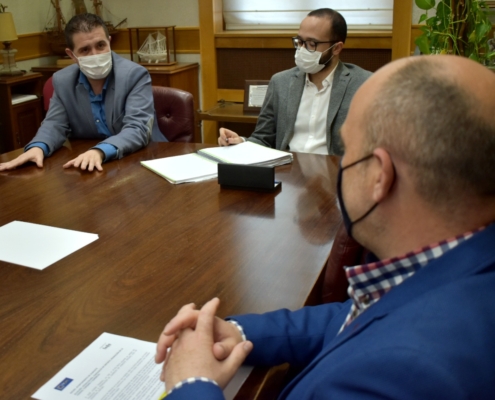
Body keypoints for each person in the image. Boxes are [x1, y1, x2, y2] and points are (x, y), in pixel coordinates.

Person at [155, 55, 495, 399]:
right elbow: (358, 315)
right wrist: (239, 331)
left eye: (346, 150)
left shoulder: (402, 373)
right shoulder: (463, 264)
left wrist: (190, 384)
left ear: (380, 176)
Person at [0, 13, 163, 173]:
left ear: (109, 42)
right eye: (85, 50)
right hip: (90, 167)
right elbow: (54, 124)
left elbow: (138, 128)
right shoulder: (63, 81)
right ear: (72, 55)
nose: (95, 55)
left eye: (100, 45)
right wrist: (38, 147)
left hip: (143, 161)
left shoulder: (135, 75)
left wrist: (100, 151)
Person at [218, 8, 372, 156]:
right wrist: (240, 143)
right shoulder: (280, 82)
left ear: (336, 48)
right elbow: (263, 138)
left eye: (312, 44)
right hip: (287, 171)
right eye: (299, 41)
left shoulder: (364, 85)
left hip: (335, 174)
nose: (302, 50)